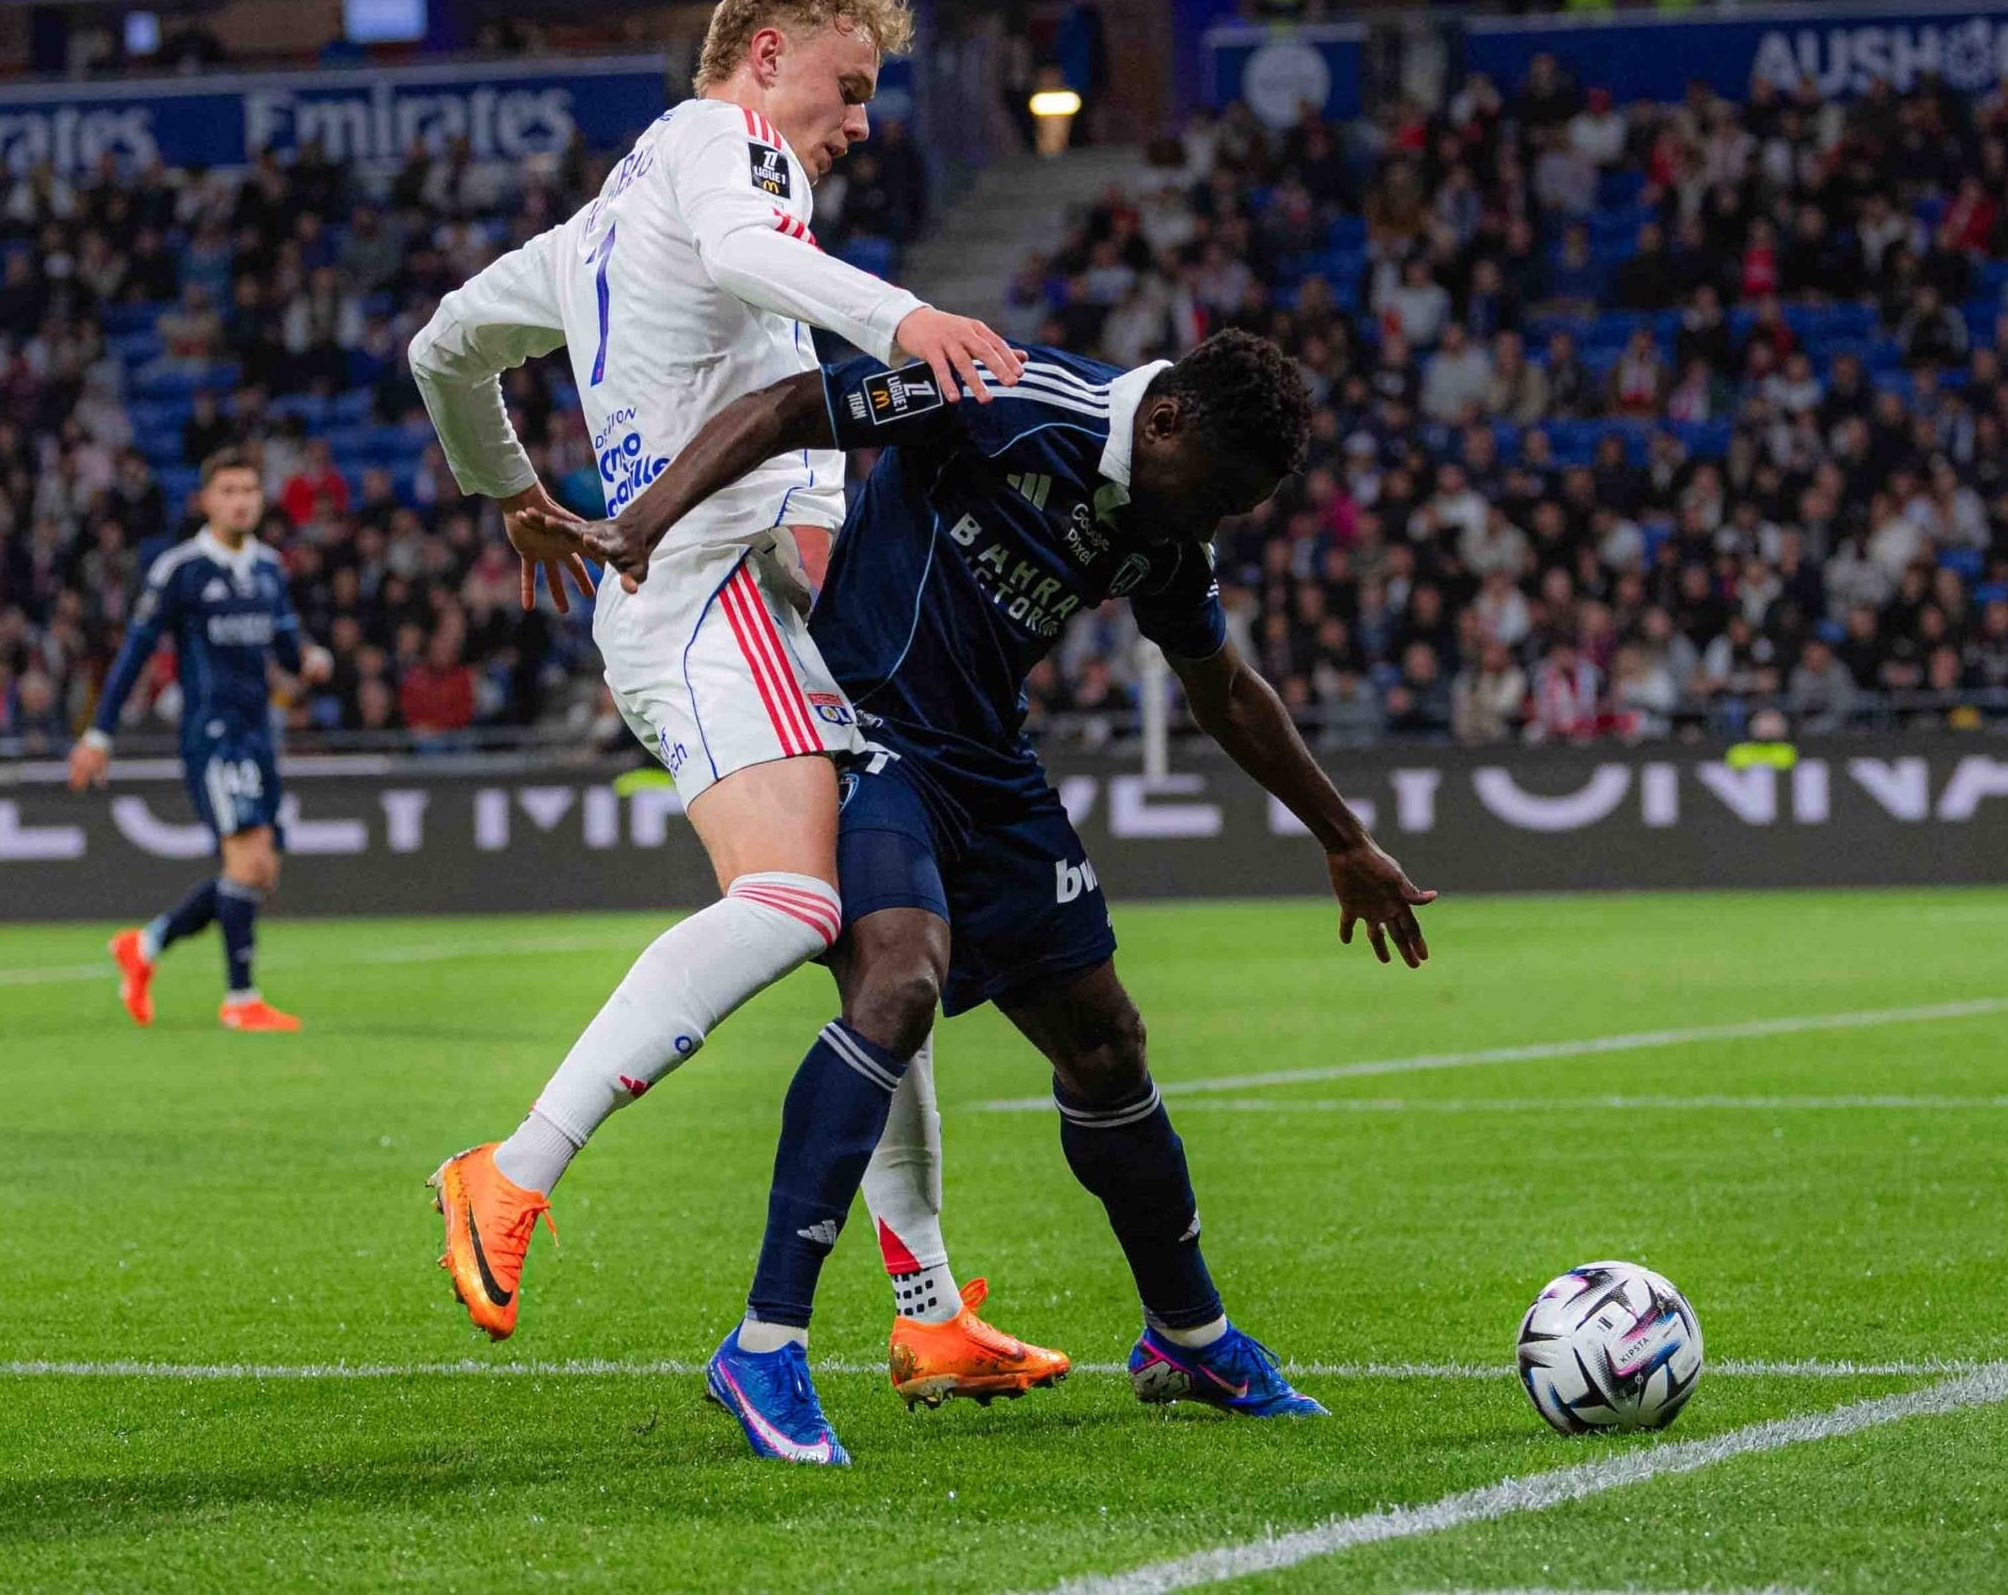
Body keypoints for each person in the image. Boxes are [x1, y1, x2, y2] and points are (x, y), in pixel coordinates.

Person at [552, 330, 1435, 1463]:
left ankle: (1187, 1334)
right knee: (899, 977)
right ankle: (765, 1345)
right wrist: (644, 520)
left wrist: (1344, 838)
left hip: (990, 772)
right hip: (861, 731)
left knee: (1108, 1044)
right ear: (1166, 423)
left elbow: (1225, 690)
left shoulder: (1163, 533)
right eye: (1214, 497)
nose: (1209, 527)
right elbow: (788, 405)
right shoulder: (1002, 393)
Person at [408, 0, 1052, 1405]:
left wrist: (504, 484)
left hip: (741, 599)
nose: (861, 118)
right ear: (767, 50)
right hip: (701, 595)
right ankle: (507, 1169)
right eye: (850, 84)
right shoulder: (731, 144)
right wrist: (910, 318)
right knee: (798, 899)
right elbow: (749, 257)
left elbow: (440, 347)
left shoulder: (587, 230)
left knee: (885, 941)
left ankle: (932, 1306)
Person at [69, 449, 332, 1034]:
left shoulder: (267, 568)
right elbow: (135, 653)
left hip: (259, 735)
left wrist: (311, 661)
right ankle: (240, 998)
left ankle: (147, 944)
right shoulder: (181, 570)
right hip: (213, 735)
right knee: (249, 859)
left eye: (248, 490)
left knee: (258, 872)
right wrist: (99, 734)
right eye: (228, 490)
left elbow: (287, 649)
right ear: (207, 501)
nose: (240, 501)